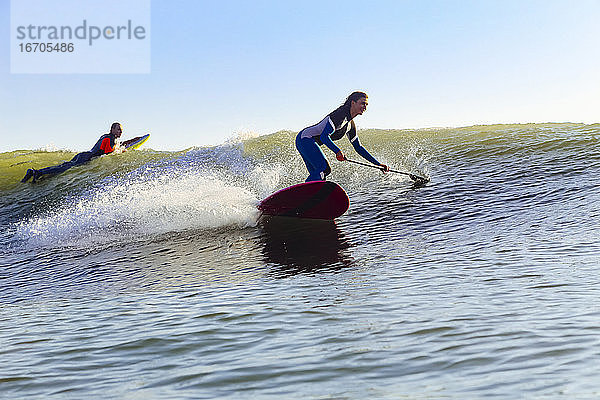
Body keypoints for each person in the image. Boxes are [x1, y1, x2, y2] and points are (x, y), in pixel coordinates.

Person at [295, 91, 389, 182]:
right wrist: (338, 151)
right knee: (324, 169)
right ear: (353, 103)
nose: (365, 107)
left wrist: (378, 164)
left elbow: (359, 148)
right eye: (362, 103)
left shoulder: (350, 125)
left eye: (366, 105)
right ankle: (299, 195)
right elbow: (324, 137)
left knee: (320, 177)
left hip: (307, 142)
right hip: (305, 139)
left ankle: (310, 197)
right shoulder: (339, 116)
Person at [21, 122, 124, 183]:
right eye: (118, 129)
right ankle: (38, 172)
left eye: (121, 130)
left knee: (63, 166)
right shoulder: (111, 138)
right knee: (64, 168)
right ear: (112, 129)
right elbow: (108, 152)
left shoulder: (105, 136)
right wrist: (120, 151)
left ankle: (36, 173)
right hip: (85, 158)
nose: (120, 132)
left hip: (83, 155)